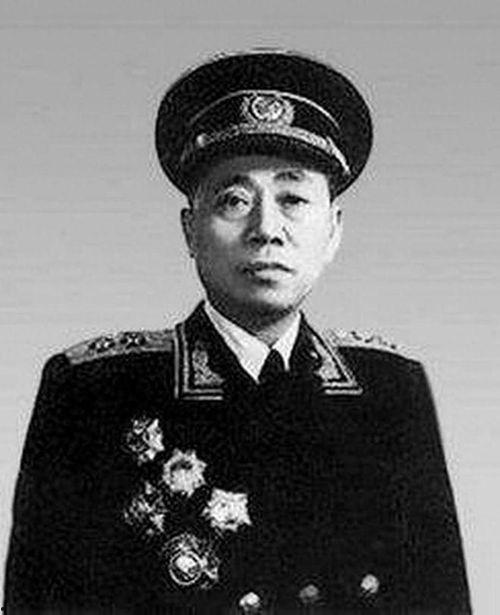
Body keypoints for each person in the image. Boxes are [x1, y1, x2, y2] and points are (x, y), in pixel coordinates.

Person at [4, 50, 471, 614]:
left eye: (293, 199)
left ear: (333, 231)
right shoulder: (94, 392)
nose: (266, 229)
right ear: (190, 230)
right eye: (234, 200)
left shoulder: (390, 390)